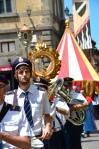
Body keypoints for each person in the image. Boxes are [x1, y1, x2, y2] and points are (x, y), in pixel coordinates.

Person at [5, 57, 52, 147]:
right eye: (21, 72)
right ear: (16, 75)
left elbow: (47, 114)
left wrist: (48, 126)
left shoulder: (41, 93)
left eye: (27, 71)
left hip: (38, 139)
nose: (24, 74)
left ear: (30, 74)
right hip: (19, 141)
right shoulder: (9, 97)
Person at [0, 74, 33, 149]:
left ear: (5, 89)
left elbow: (26, 144)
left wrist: (3, 136)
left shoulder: (18, 112)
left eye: (0, 86)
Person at [64, 77, 88, 149]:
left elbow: (85, 103)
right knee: (67, 142)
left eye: (69, 85)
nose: (67, 87)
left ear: (71, 85)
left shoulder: (76, 94)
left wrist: (73, 107)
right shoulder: (61, 95)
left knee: (76, 142)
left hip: (75, 121)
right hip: (65, 121)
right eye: (65, 85)